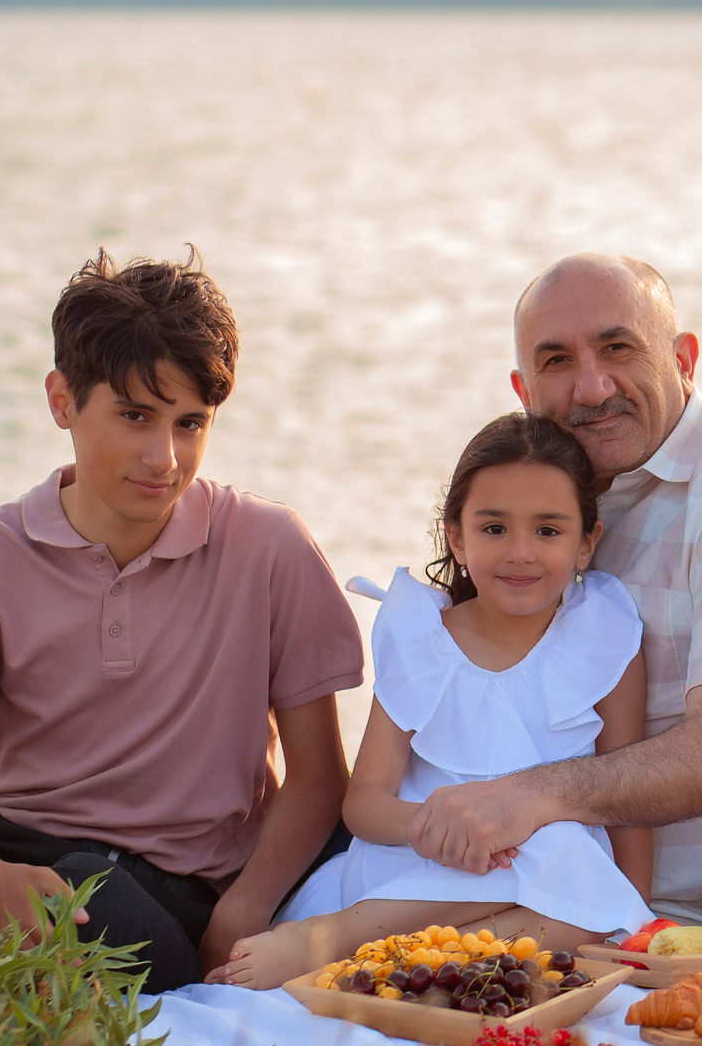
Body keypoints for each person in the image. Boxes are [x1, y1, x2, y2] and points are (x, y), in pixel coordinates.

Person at [0, 252, 363, 991]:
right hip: (4, 854)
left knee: (96, 909)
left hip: (162, 896)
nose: (164, 457)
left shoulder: (270, 547)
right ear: (62, 400)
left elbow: (317, 777)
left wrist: (242, 910)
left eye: (191, 422)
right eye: (135, 415)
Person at [400, 256, 702, 926]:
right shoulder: (547, 494)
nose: (592, 388)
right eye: (557, 361)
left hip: (665, 923)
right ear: (523, 389)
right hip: (497, 879)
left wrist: (529, 797)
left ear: (684, 358)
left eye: (618, 348)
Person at [211, 414, 654, 987]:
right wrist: (442, 828)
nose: (521, 552)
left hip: (546, 879)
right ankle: (337, 937)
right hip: (416, 868)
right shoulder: (422, 636)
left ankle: (378, 958)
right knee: (551, 849)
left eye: (548, 531)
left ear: (586, 543)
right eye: (494, 528)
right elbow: (363, 801)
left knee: (563, 849)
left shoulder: (604, 633)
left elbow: (630, 797)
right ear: (457, 536)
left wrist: (633, 912)